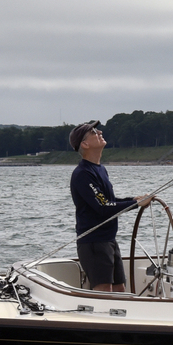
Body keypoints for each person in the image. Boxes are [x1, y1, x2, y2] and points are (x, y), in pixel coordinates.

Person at [68, 120, 150, 292]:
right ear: (85, 144)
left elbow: (108, 200)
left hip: (108, 240)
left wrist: (133, 199)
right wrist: (135, 204)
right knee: (104, 290)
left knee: (120, 289)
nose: (100, 133)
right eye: (94, 132)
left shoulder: (100, 169)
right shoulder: (83, 174)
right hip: (94, 243)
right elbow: (103, 207)